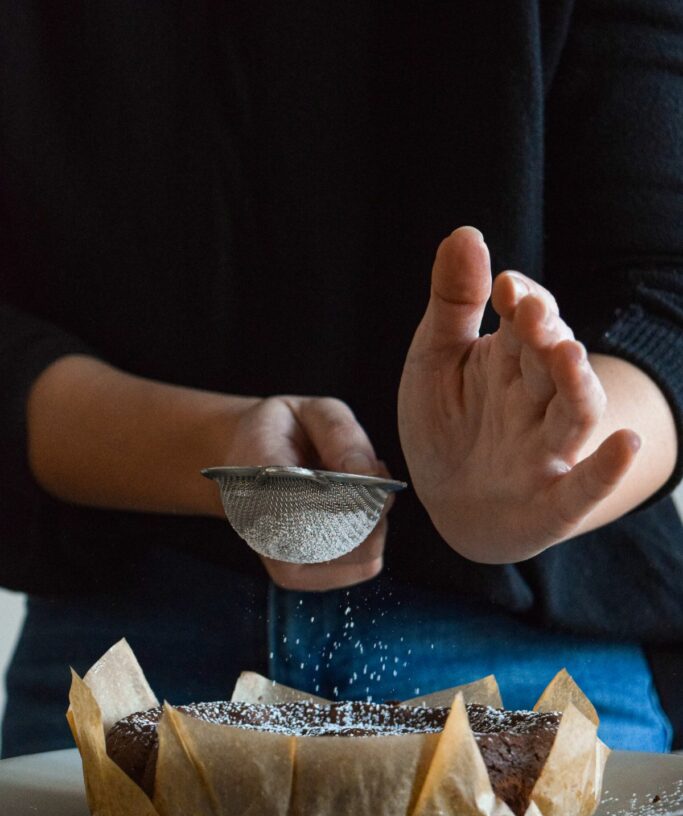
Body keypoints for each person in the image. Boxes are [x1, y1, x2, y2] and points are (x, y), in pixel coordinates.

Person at [1, 2, 681, 759]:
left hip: (526, 661)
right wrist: (217, 454)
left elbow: (664, 299)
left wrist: (544, 469)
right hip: (128, 650)